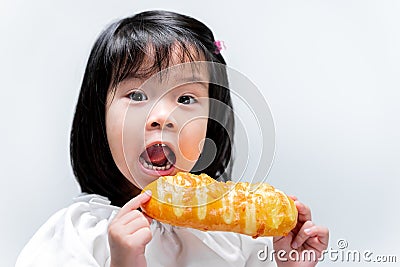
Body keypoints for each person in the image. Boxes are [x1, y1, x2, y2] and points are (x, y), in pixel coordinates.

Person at [16, 10, 329, 267]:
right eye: (137, 94)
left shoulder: (241, 239)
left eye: (186, 99)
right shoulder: (76, 236)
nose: (162, 117)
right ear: (99, 118)